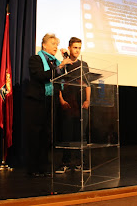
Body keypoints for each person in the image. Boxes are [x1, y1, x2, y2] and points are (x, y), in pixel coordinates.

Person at [24, 33, 72, 177]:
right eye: (53, 44)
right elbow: (40, 75)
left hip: (50, 102)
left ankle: (44, 168)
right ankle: (33, 168)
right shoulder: (35, 59)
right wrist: (60, 67)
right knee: (35, 135)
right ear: (44, 45)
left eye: (57, 45)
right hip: (36, 102)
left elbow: (65, 77)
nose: (56, 47)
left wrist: (64, 61)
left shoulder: (56, 62)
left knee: (47, 136)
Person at [55, 37, 91, 174]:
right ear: (69, 48)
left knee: (81, 134)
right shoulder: (64, 63)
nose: (77, 50)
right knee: (67, 134)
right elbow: (58, 83)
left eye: (79, 48)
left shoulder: (84, 64)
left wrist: (88, 100)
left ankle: (82, 163)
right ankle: (65, 162)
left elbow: (88, 83)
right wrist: (61, 100)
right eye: (75, 47)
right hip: (68, 104)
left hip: (81, 104)